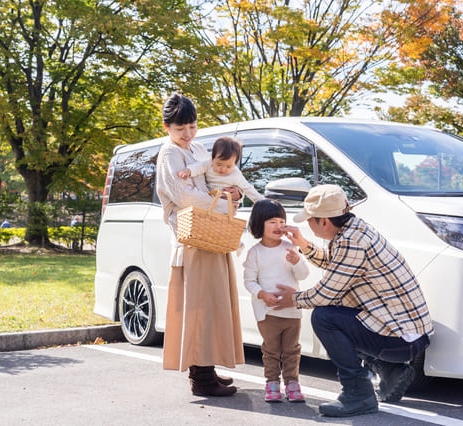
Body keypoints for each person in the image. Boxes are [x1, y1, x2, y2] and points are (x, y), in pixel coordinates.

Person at [273, 184, 434, 417]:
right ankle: (389, 369)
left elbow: (324, 294)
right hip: (408, 334)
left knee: (325, 316)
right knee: (342, 310)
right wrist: (304, 245)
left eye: (310, 219)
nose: (307, 224)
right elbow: (337, 265)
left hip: (402, 339)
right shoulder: (355, 230)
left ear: (324, 221)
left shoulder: (351, 242)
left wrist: (293, 299)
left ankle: (358, 393)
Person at [155, 93, 245, 397]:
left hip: (210, 233)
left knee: (212, 304)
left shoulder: (198, 148)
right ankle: (201, 378)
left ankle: (207, 370)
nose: (188, 134)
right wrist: (222, 205)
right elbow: (186, 197)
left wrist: (233, 193)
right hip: (192, 238)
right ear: (167, 126)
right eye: (181, 128)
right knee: (199, 306)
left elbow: (213, 182)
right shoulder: (169, 154)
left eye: (192, 126)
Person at [243, 199, 310, 403]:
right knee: (271, 350)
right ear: (258, 224)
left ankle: (292, 383)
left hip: (291, 312)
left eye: (281, 221)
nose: (278, 226)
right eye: (272, 222)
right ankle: (272, 383)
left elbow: (303, 275)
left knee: (292, 350)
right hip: (267, 312)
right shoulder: (255, 252)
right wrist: (262, 294)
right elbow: (249, 281)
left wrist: (297, 262)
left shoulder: (290, 247)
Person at [177, 136, 264, 204]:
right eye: (219, 164)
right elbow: (198, 167)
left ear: (234, 164)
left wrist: (261, 201)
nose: (223, 169)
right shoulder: (208, 164)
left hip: (226, 206)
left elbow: (248, 188)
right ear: (212, 158)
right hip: (209, 202)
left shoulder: (235, 174)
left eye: (229, 166)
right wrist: (188, 171)